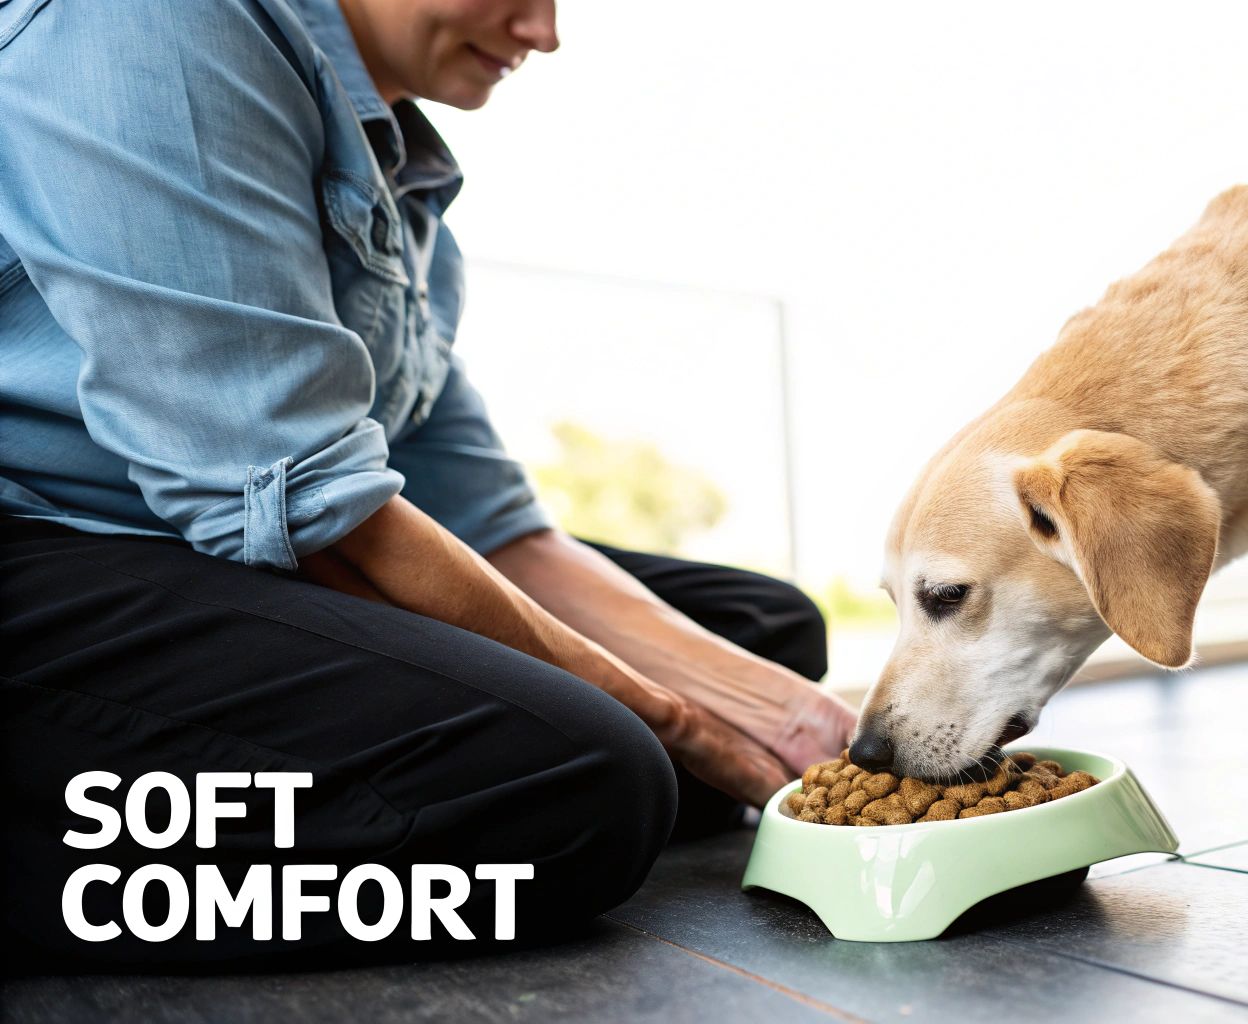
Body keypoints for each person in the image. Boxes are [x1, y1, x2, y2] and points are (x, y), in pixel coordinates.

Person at [0, 0, 855, 969]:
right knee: (589, 777)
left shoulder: (397, 180)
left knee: (763, 628)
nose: (544, 32)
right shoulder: (148, 24)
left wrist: (794, 720)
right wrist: (673, 719)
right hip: (45, 553)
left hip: (219, 551)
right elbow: (314, 513)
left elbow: (491, 524)